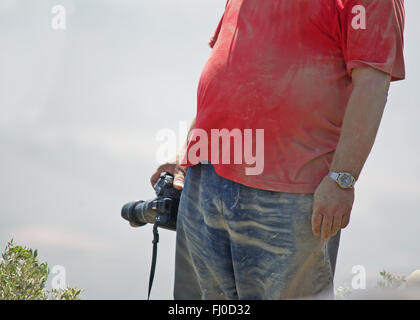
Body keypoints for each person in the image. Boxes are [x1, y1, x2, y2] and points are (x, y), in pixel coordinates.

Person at [150, 0, 405, 299]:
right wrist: (184, 154)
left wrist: (342, 179)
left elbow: (372, 83)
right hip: (206, 176)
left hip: (290, 193)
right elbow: (227, 70)